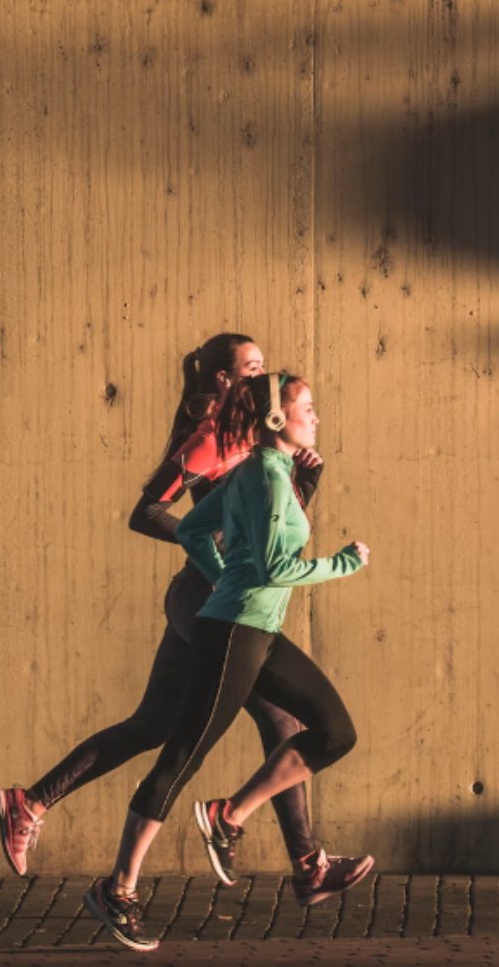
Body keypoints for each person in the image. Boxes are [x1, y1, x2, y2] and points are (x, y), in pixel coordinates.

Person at [0, 336, 369, 904]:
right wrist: (217, 560)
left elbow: (270, 530)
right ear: (221, 380)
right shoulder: (209, 441)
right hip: (208, 598)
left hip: (219, 597)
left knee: (155, 726)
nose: (262, 376)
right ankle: (299, 861)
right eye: (251, 368)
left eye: (265, 368)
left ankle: (33, 802)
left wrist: (301, 489)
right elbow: (150, 512)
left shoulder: (254, 443)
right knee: (277, 725)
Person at [84, 372, 369, 951]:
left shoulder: (269, 473)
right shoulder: (264, 476)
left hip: (253, 627)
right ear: (274, 420)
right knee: (181, 755)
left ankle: (229, 814)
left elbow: (191, 530)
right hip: (235, 633)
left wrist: (223, 582)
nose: (315, 416)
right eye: (306, 409)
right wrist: (342, 563)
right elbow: (273, 571)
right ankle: (118, 889)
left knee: (335, 732)